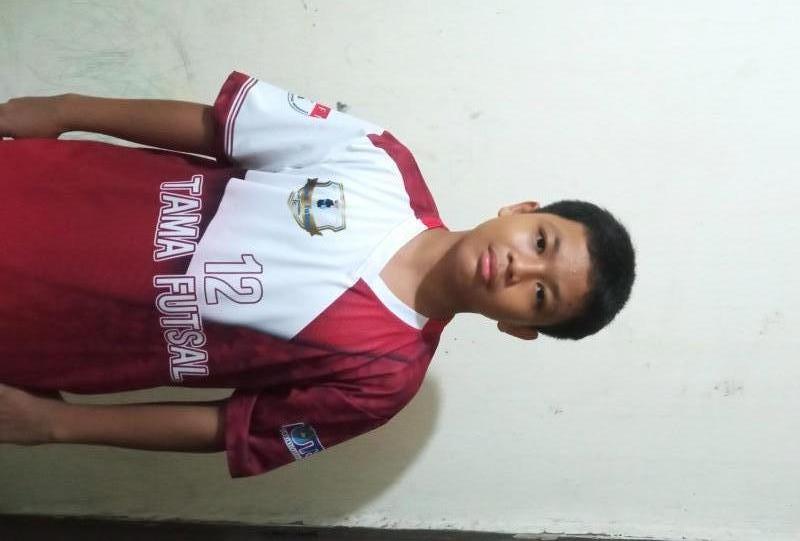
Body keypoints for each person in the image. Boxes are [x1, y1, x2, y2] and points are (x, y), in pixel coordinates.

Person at [0, 72, 635, 477]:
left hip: (36, 338)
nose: (521, 267)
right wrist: (63, 109)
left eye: (541, 295)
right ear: (520, 211)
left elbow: (231, 426)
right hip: (42, 191)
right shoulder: (379, 161)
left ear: (519, 328)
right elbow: (219, 128)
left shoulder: (384, 379)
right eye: (540, 241)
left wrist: (58, 426)